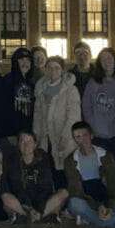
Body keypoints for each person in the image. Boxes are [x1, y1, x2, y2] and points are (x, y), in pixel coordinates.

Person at [66, 121, 115, 228]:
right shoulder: (70, 161)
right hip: (89, 201)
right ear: (74, 139)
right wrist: (98, 207)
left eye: (85, 135)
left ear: (91, 136)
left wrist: (109, 207)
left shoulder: (106, 156)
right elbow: (75, 191)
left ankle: (101, 220)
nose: (82, 140)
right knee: (74, 204)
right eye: (78, 137)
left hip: (106, 198)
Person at [82, 47, 115, 194]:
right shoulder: (93, 82)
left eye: (109, 58)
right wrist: (95, 127)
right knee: (97, 170)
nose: (107, 61)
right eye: (103, 59)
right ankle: (100, 201)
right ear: (99, 63)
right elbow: (86, 106)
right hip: (98, 134)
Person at [32, 55, 81, 190]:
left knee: (63, 171)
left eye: (56, 68)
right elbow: (37, 115)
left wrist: (66, 136)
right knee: (47, 170)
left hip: (62, 137)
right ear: (45, 70)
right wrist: (36, 135)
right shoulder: (41, 89)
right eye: (49, 67)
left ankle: (66, 203)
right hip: (45, 138)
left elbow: (74, 116)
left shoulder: (70, 90)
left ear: (62, 70)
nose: (53, 71)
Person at [0, 130, 68, 223]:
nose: (26, 145)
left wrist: (39, 209)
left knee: (63, 193)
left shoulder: (44, 159)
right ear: (18, 145)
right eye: (22, 141)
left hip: (43, 201)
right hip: (22, 203)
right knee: (5, 197)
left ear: (35, 144)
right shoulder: (12, 161)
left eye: (29, 141)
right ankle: (30, 216)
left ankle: (36, 217)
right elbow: (11, 185)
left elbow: (46, 185)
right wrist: (28, 207)